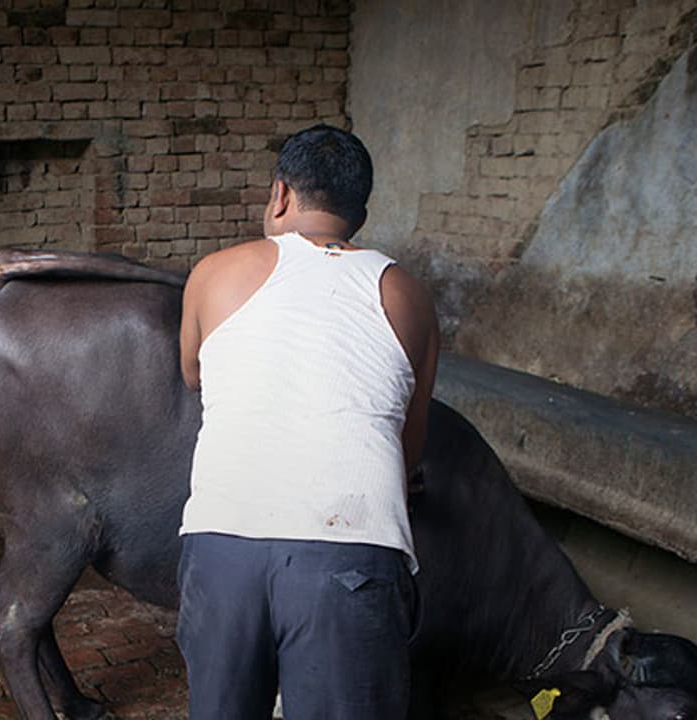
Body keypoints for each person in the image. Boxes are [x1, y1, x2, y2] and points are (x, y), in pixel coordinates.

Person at [176, 124, 441, 719]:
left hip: (223, 547)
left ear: (279, 196)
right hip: (353, 552)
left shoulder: (215, 272)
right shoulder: (408, 295)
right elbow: (409, 450)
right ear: (360, 214)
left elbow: (195, 376)